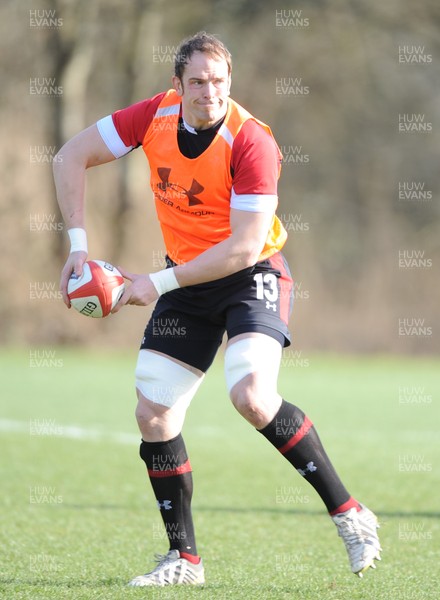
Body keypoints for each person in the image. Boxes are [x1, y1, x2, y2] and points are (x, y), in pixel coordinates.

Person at [54, 32, 381, 587]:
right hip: (188, 279)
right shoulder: (154, 116)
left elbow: (244, 248)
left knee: (251, 397)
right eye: (199, 82)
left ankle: (350, 514)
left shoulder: (251, 140)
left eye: (220, 81)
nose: (211, 92)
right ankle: (184, 560)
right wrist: (78, 247)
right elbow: (70, 156)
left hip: (252, 276)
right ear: (177, 86)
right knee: (153, 414)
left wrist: (152, 283)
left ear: (231, 82)